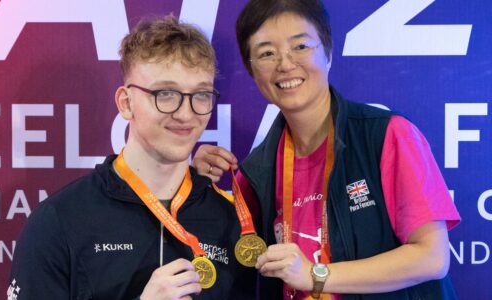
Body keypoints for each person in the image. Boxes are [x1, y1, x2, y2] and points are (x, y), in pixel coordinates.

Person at [193, 0, 461, 299]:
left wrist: (315, 275)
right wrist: (195, 185)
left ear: (328, 53)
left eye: (301, 46)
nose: (285, 63)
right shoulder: (256, 174)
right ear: (253, 73)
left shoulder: (387, 135)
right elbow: (223, 263)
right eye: (266, 53)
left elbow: (432, 258)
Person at [8, 16, 255, 300]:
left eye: (200, 94)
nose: (186, 114)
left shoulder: (229, 221)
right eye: (165, 93)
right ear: (126, 103)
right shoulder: (59, 221)